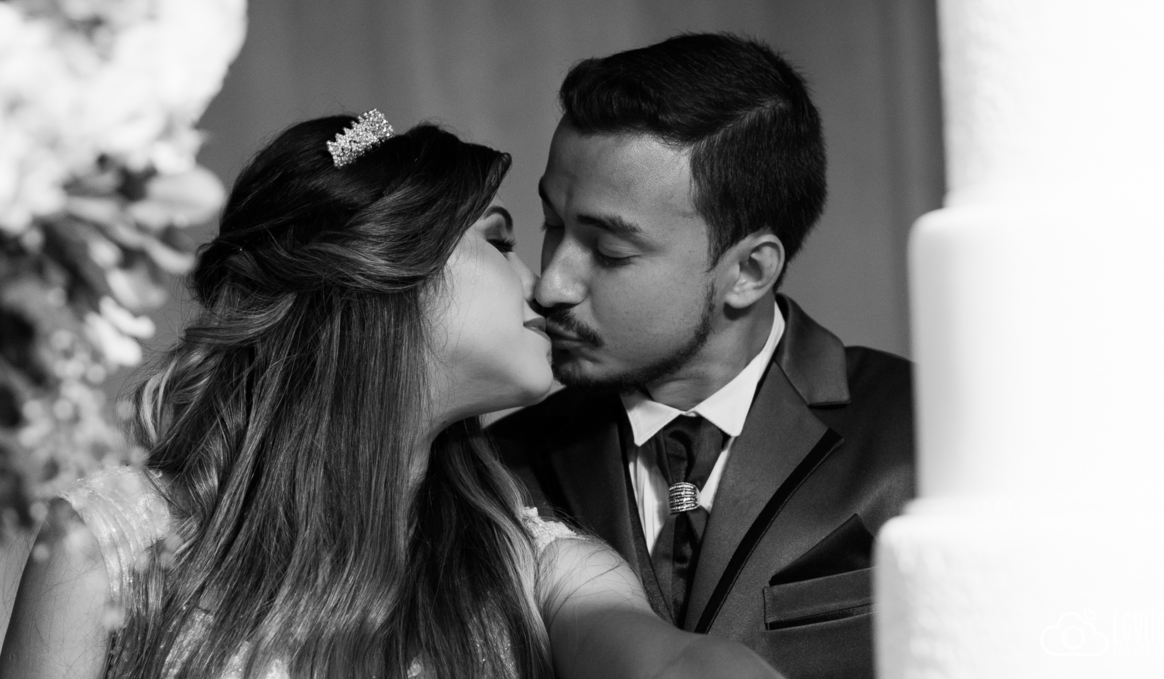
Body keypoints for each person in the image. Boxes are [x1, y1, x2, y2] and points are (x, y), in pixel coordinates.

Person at [0, 114, 785, 679]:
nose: (545, 285)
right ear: (382, 270)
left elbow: (666, 662)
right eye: (499, 240)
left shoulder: (533, 563)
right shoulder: (106, 545)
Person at [492, 33, 916, 679]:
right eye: (553, 224)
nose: (550, 284)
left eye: (609, 252)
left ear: (749, 271)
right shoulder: (500, 467)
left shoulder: (925, 434)